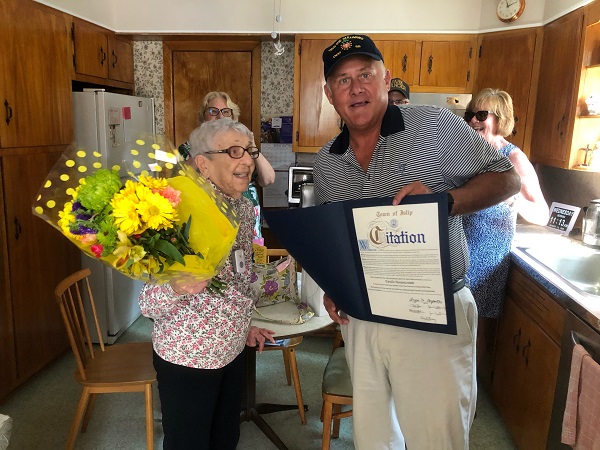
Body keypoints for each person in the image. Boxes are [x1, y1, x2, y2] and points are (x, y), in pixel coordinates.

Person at [314, 34, 521, 449]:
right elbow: (341, 239)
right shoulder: (326, 163)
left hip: (434, 313)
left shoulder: (435, 125)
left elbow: (507, 178)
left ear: (384, 78)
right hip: (365, 319)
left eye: (365, 75)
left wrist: (447, 200)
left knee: (436, 438)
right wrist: (335, 286)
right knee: (373, 438)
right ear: (330, 95)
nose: (356, 88)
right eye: (342, 80)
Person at [139, 118, 276, 450]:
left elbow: (239, 277)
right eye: (233, 152)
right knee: (189, 443)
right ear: (203, 163)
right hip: (189, 358)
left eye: (249, 151)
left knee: (225, 438)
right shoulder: (176, 212)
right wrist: (177, 286)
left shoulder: (243, 209)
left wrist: (245, 325)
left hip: (231, 352)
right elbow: (147, 304)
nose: (247, 161)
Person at [463, 88, 549, 362]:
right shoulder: (468, 153)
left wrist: (514, 201)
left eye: (481, 115)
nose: (473, 121)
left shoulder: (513, 158)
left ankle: (469, 399)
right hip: (459, 250)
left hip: (488, 257)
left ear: (500, 119)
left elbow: (542, 213)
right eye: (470, 115)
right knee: (454, 327)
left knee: (475, 332)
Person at [179, 91, 275, 240]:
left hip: (247, 219)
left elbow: (268, 179)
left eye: (225, 111)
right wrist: (202, 145)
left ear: (233, 116)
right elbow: (182, 182)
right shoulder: (189, 148)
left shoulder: (244, 146)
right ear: (203, 116)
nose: (220, 116)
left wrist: (252, 147)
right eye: (213, 111)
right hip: (214, 221)